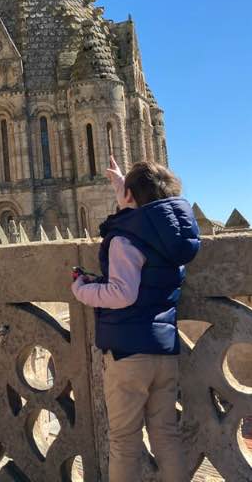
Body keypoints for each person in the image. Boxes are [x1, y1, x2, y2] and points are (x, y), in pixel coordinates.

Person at [71, 156, 200, 482]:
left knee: (125, 441)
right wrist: (123, 184)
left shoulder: (124, 238)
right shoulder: (172, 242)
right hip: (163, 352)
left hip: (129, 354)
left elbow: (123, 294)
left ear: (129, 197)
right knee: (166, 435)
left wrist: (83, 290)